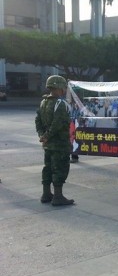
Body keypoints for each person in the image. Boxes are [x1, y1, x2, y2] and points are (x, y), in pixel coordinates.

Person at [35, 75, 75, 206]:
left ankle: (46, 194)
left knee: (48, 167)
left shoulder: (43, 102)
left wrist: (42, 135)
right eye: (63, 87)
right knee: (60, 168)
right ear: (58, 88)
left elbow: (38, 121)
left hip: (48, 145)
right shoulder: (60, 103)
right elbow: (57, 124)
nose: (64, 90)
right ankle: (58, 196)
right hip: (59, 144)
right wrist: (46, 135)